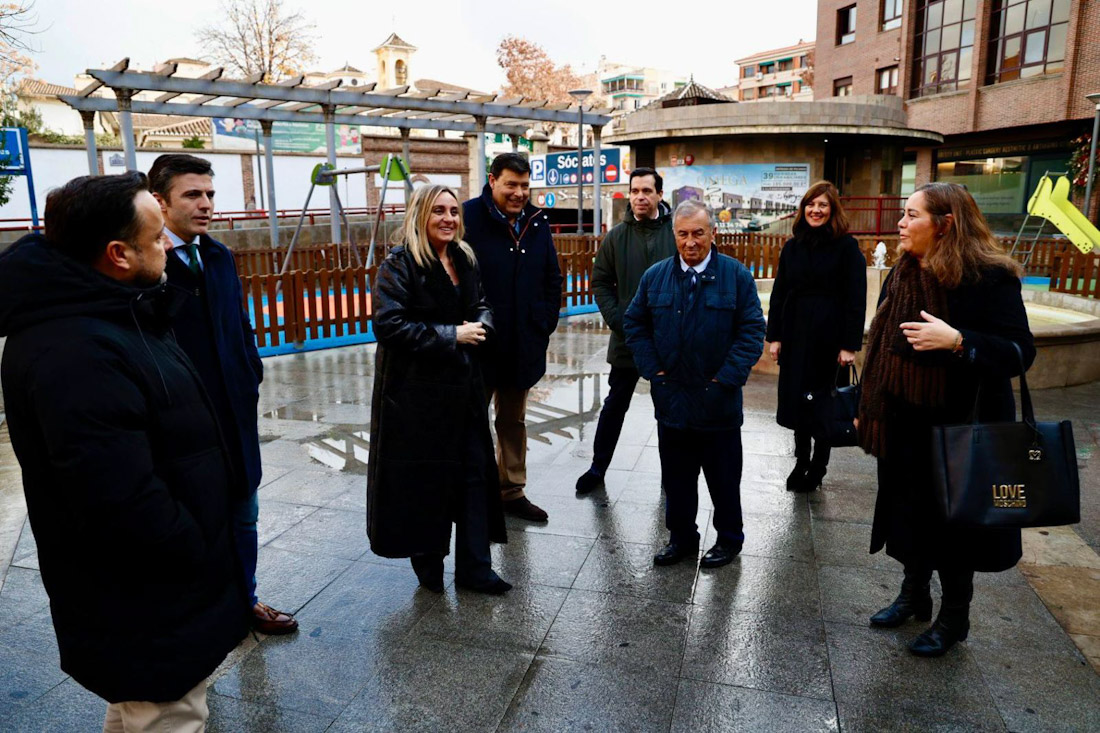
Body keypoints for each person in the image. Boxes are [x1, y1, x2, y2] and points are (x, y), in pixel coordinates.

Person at [0, 172, 249, 730]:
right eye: (156, 237)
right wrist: (190, 543)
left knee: (143, 709)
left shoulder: (119, 311)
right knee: (165, 713)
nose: (167, 247)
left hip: (156, 587)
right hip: (147, 592)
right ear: (118, 254)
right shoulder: (78, 349)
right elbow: (118, 496)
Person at [858, 182, 1035, 656]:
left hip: (961, 427)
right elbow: (881, 347)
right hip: (905, 421)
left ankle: (955, 617)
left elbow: (1020, 352)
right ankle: (913, 594)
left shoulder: (989, 277)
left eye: (911, 215)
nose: (900, 223)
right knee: (908, 514)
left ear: (945, 224)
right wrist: (867, 408)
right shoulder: (903, 270)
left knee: (956, 525)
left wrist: (958, 342)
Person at [149, 154, 298, 636]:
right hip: (181, 423)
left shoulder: (217, 256)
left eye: (210, 194)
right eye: (192, 194)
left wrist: (249, 372)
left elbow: (238, 323)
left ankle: (245, 601)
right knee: (193, 522)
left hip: (233, 412)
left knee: (244, 514)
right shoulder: (146, 262)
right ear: (160, 202)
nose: (206, 204)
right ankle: (196, 613)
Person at [367, 184, 511, 595]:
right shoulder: (399, 265)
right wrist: (452, 335)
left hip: (464, 390)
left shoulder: (464, 258)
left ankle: (476, 569)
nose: (448, 218)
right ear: (420, 215)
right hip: (417, 397)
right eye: (438, 211)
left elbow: (482, 304)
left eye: (453, 211)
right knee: (426, 482)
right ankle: (428, 564)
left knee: (474, 475)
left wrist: (482, 326)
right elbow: (389, 325)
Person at [624, 200, 766, 568]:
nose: (691, 242)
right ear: (674, 235)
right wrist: (654, 373)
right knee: (677, 478)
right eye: (683, 234)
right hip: (672, 401)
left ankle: (729, 539)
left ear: (712, 233)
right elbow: (635, 324)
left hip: (718, 402)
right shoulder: (655, 277)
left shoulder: (735, 276)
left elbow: (752, 331)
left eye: (698, 233)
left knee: (724, 479)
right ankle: (682, 537)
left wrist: (724, 380)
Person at [463, 153, 563, 522]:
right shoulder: (468, 218)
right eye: (511, 184)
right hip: (479, 343)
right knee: (470, 421)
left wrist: (544, 323)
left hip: (522, 342)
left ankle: (511, 491)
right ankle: (473, 491)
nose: (519, 193)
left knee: (512, 421)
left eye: (524, 185)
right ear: (492, 181)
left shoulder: (536, 221)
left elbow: (552, 277)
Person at [576, 167, 677, 495]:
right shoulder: (616, 237)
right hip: (627, 338)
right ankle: (597, 467)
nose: (640, 197)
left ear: (659, 194)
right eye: (635, 191)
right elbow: (601, 282)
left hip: (667, 341)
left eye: (647, 191)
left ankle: (671, 476)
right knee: (615, 405)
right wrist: (619, 321)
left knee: (668, 410)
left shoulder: (675, 232)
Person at [766, 181, 866, 492]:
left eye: (823, 205)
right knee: (798, 401)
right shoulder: (792, 246)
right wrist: (775, 337)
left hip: (829, 337)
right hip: (796, 334)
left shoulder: (847, 248)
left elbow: (856, 298)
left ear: (833, 210)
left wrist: (849, 345)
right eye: (811, 204)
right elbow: (780, 293)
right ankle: (801, 460)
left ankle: (819, 466)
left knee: (823, 404)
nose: (816, 210)